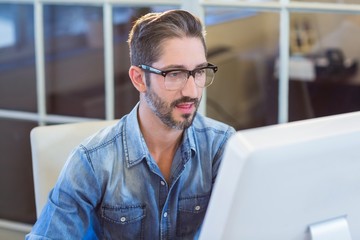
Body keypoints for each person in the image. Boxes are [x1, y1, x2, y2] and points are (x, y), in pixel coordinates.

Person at [26, 9, 235, 239]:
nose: (192, 90)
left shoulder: (222, 147)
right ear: (138, 78)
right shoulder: (93, 161)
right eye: (174, 74)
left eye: (199, 72)